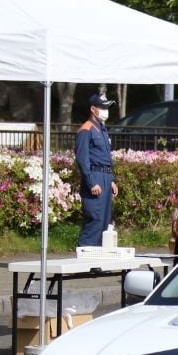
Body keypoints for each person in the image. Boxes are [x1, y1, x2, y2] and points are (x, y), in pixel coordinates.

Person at [76, 92, 117, 246]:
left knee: (105, 221)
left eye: (107, 108)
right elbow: (82, 159)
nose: (106, 111)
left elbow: (105, 158)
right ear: (93, 109)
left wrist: (111, 180)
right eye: (102, 108)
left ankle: (98, 257)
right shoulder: (86, 129)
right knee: (95, 219)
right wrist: (91, 182)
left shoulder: (102, 129)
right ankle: (84, 254)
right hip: (95, 177)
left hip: (105, 177)